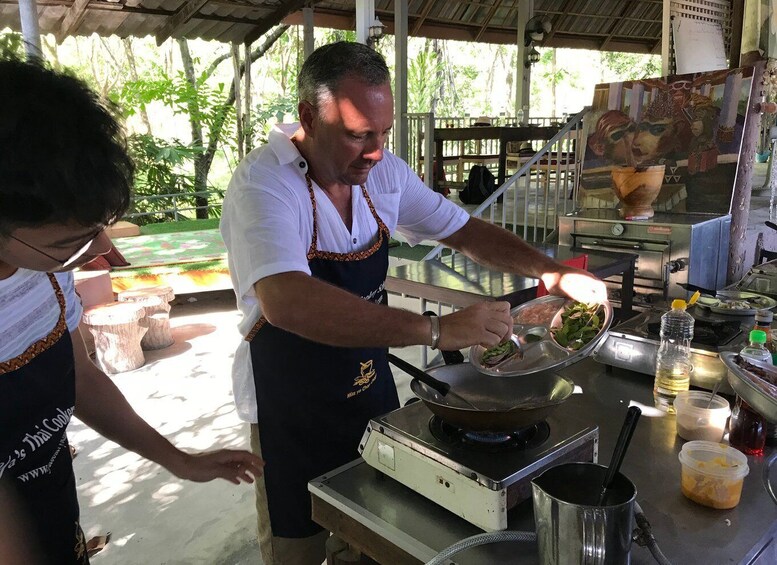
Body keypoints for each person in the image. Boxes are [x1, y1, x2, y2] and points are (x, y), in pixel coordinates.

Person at [220, 41, 606, 565]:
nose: (376, 152)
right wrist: (435, 331)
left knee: (379, 529)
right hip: (291, 406)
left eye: (383, 133)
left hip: (368, 388)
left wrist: (551, 271)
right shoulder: (265, 184)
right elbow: (286, 300)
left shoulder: (383, 172)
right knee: (299, 543)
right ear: (308, 117)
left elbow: (464, 230)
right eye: (358, 136)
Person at [0, 59, 265, 565]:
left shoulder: (42, 269)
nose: (99, 247)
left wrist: (177, 460)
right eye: (71, 240)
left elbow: (77, 378)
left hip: (53, 515)